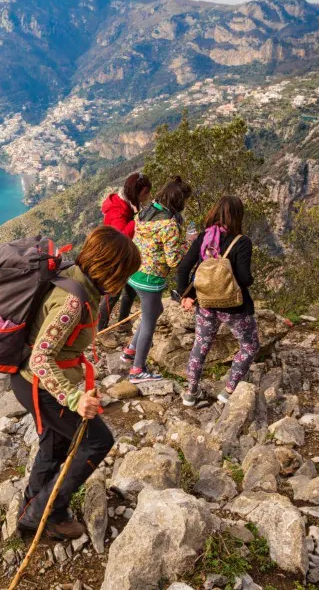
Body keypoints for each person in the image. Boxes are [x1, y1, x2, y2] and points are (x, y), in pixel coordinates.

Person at [14, 226, 140, 540]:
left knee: (54, 442)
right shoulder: (73, 302)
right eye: (125, 274)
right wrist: (74, 398)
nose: (125, 283)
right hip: (39, 386)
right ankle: (47, 512)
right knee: (98, 441)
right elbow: (41, 358)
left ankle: (32, 506)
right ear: (112, 271)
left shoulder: (78, 281)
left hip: (29, 382)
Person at [175, 195, 259, 406]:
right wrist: (251, 279)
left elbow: (184, 267)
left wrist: (185, 296)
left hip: (205, 304)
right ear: (238, 216)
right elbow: (244, 278)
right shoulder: (242, 242)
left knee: (201, 345)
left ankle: (191, 392)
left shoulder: (204, 238)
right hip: (235, 307)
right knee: (249, 346)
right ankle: (228, 390)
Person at [122, 176, 193, 383]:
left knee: (153, 312)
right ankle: (137, 369)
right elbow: (173, 261)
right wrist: (189, 243)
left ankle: (130, 350)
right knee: (150, 322)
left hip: (134, 271)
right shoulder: (169, 225)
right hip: (150, 279)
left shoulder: (145, 213)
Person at [97, 172, 152, 334]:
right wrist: (136, 220)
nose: (147, 196)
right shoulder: (118, 210)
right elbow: (121, 235)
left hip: (125, 255)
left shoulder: (128, 204)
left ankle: (123, 323)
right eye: (145, 193)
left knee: (130, 289)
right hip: (115, 255)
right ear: (136, 192)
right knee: (112, 293)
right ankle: (101, 330)